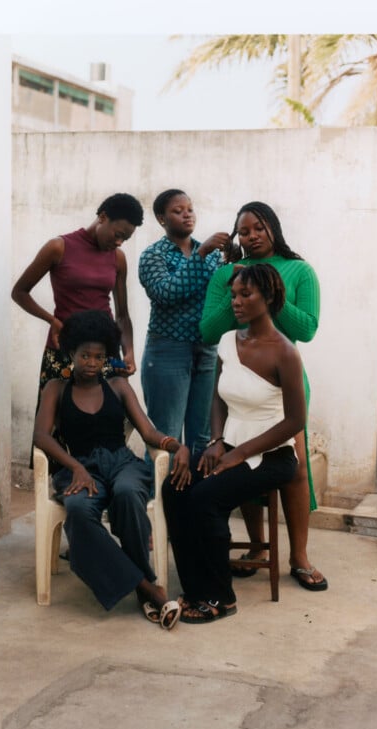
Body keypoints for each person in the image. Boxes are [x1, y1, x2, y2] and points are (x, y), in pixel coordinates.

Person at [163, 264, 305, 623]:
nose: (236, 302)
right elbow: (218, 398)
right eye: (234, 295)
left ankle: (220, 598)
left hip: (273, 454)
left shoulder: (285, 353)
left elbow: (295, 421)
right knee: (175, 488)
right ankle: (196, 588)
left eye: (246, 295)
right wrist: (217, 441)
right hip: (230, 445)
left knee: (206, 496)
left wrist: (238, 453)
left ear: (269, 297)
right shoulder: (228, 341)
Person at [33, 310, 191, 629]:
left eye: (99, 356)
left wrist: (179, 447)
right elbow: (40, 435)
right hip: (80, 468)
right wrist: (76, 467)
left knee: (129, 493)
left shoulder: (118, 386)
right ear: (72, 354)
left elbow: (148, 432)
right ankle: (148, 589)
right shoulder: (55, 389)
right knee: (77, 510)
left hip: (121, 464)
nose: (92, 362)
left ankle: (140, 586)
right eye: (85, 355)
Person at [200, 201, 327, 590]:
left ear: (273, 227)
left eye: (258, 227)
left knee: (295, 467)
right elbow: (209, 330)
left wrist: (268, 288)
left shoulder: (300, 270)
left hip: (280, 384)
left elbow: (306, 329)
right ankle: (256, 546)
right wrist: (234, 286)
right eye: (243, 231)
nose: (251, 236)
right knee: (241, 460)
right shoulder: (225, 274)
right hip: (237, 383)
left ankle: (299, 556)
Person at [12, 193, 144, 466]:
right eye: (118, 234)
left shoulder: (117, 258)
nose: (119, 242)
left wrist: (128, 352)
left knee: (107, 425)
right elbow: (20, 292)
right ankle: (62, 491)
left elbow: (121, 315)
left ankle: (108, 489)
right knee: (58, 426)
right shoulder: (58, 247)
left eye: (126, 239)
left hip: (104, 354)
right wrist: (51, 320)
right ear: (103, 217)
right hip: (64, 353)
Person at [139, 189, 231, 456]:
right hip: (168, 349)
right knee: (166, 435)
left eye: (189, 209)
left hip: (207, 351)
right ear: (161, 219)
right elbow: (166, 293)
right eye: (177, 211)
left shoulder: (213, 254)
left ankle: (195, 495)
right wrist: (201, 255)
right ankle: (162, 496)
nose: (186, 215)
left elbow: (220, 296)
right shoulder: (153, 256)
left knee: (202, 437)